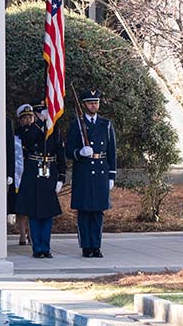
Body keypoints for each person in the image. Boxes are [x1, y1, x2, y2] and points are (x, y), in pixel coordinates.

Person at [66, 89, 117, 258]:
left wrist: (111, 175)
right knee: (84, 211)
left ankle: (96, 246)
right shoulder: (77, 125)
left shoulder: (106, 124)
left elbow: (112, 151)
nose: (93, 106)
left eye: (96, 102)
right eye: (90, 103)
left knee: (97, 212)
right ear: (84, 105)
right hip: (84, 172)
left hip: (101, 172)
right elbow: (68, 151)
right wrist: (79, 153)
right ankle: (86, 247)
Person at [14, 103, 65, 258]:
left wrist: (61, 177)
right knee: (35, 212)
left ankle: (46, 247)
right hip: (33, 172)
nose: (29, 119)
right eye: (28, 117)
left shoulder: (52, 129)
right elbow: (31, 138)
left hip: (49, 172)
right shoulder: (24, 131)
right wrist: (41, 124)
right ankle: (37, 248)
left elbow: (59, 152)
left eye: (32, 116)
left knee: (47, 213)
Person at [11, 106, 32, 246]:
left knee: (32, 206)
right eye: (25, 117)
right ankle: (22, 234)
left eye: (30, 117)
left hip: (32, 172)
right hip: (19, 174)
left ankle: (31, 233)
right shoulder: (16, 135)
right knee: (20, 206)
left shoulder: (37, 132)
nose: (28, 120)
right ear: (20, 120)